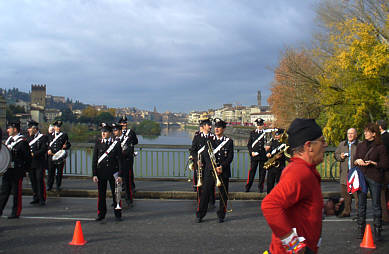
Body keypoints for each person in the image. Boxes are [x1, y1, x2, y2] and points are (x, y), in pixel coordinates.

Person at [261, 118, 327, 254]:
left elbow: (301, 208)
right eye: (322, 141)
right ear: (309, 146)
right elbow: (270, 205)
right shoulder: (299, 171)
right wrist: (294, 246)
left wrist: (325, 208)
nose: (325, 145)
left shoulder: (306, 170)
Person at [354, 123, 389, 241]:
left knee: (376, 205)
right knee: (361, 205)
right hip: (362, 177)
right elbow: (354, 159)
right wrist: (357, 161)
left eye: (367, 131)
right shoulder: (361, 145)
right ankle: (360, 229)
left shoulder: (380, 147)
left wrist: (373, 163)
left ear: (374, 134)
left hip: (375, 177)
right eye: (364, 131)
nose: (365, 133)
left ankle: (378, 230)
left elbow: (385, 164)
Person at [196, 118, 233, 223]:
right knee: (205, 193)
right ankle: (200, 214)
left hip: (223, 171)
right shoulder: (209, 141)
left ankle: (221, 215)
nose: (216, 129)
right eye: (215, 127)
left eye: (219, 127)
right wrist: (214, 167)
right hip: (211, 171)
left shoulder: (229, 142)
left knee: (223, 194)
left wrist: (221, 167)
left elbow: (230, 157)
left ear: (223, 129)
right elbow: (206, 156)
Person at [0, 121, 31, 219]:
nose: (7, 130)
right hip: (7, 170)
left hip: (17, 171)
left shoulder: (22, 142)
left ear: (15, 129)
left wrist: (25, 170)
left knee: (16, 193)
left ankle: (15, 212)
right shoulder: (8, 140)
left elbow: (27, 158)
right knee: (4, 191)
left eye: (9, 128)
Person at [92, 123, 123, 221]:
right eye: (102, 132)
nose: (103, 134)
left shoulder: (116, 143)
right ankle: (101, 214)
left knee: (116, 195)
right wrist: (94, 174)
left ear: (110, 133)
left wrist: (120, 175)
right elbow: (94, 159)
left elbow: (120, 160)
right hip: (101, 173)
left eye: (105, 132)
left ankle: (118, 214)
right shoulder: (98, 143)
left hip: (113, 173)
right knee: (101, 195)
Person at [334, 128, 359, 217]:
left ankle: (359, 213)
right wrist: (340, 157)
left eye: (352, 133)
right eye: (348, 133)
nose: (350, 135)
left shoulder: (359, 144)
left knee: (357, 196)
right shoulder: (342, 144)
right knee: (346, 195)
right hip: (345, 173)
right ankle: (346, 211)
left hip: (356, 174)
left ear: (356, 134)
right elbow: (336, 155)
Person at [190, 118, 216, 206]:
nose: (210, 127)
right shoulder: (197, 137)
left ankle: (211, 201)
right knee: (200, 183)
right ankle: (200, 201)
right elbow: (193, 150)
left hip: (210, 164)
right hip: (200, 163)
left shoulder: (213, 137)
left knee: (211, 183)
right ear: (204, 126)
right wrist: (197, 160)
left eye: (210, 125)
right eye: (209, 125)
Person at [27, 120, 48, 206]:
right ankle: (35, 197)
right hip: (31, 163)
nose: (28, 130)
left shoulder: (43, 137)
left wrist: (34, 154)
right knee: (33, 180)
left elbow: (43, 149)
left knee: (39, 180)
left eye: (29, 128)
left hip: (39, 163)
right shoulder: (28, 138)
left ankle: (41, 198)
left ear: (34, 128)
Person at [47, 120, 71, 192]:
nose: (58, 128)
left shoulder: (64, 135)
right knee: (51, 172)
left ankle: (58, 186)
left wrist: (66, 146)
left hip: (59, 157)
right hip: (51, 156)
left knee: (59, 173)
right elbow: (46, 144)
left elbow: (68, 144)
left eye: (59, 127)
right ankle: (49, 186)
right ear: (54, 127)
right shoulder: (49, 135)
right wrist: (48, 150)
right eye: (57, 127)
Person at [118, 116, 138, 197]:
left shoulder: (131, 132)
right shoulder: (117, 132)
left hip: (129, 155)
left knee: (129, 171)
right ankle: (124, 186)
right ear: (120, 124)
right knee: (121, 171)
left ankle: (131, 186)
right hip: (120, 155)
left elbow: (136, 141)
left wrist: (130, 146)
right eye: (122, 123)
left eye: (125, 123)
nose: (124, 124)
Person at [246, 118, 267, 193]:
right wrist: (251, 152)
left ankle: (260, 187)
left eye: (260, 125)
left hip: (263, 156)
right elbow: (249, 145)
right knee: (252, 172)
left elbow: (269, 144)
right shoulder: (252, 133)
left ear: (263, 125)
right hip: (254, 156)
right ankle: (248, 186)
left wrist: (268, 149)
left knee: (262, 172)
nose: (259, 126)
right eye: (258, 125)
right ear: (256, 125)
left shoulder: (266, 133)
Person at [265, 128, 288, 194]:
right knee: (270, 183)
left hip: (280, 166)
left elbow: (287, 154)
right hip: (271, 166)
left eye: (278, 135)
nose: (276, 136)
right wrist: (268, 153)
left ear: (281, 135)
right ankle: (269, 196)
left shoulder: (285, 144)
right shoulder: (274, 142)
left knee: (279, 183)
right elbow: (269, 150)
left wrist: (281, 156)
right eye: (276, 135)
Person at [377, 119, 389, 224]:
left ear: (380, 127)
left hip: (383, 169)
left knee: (382, 193)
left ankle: (385, 217)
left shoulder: (381, 139)